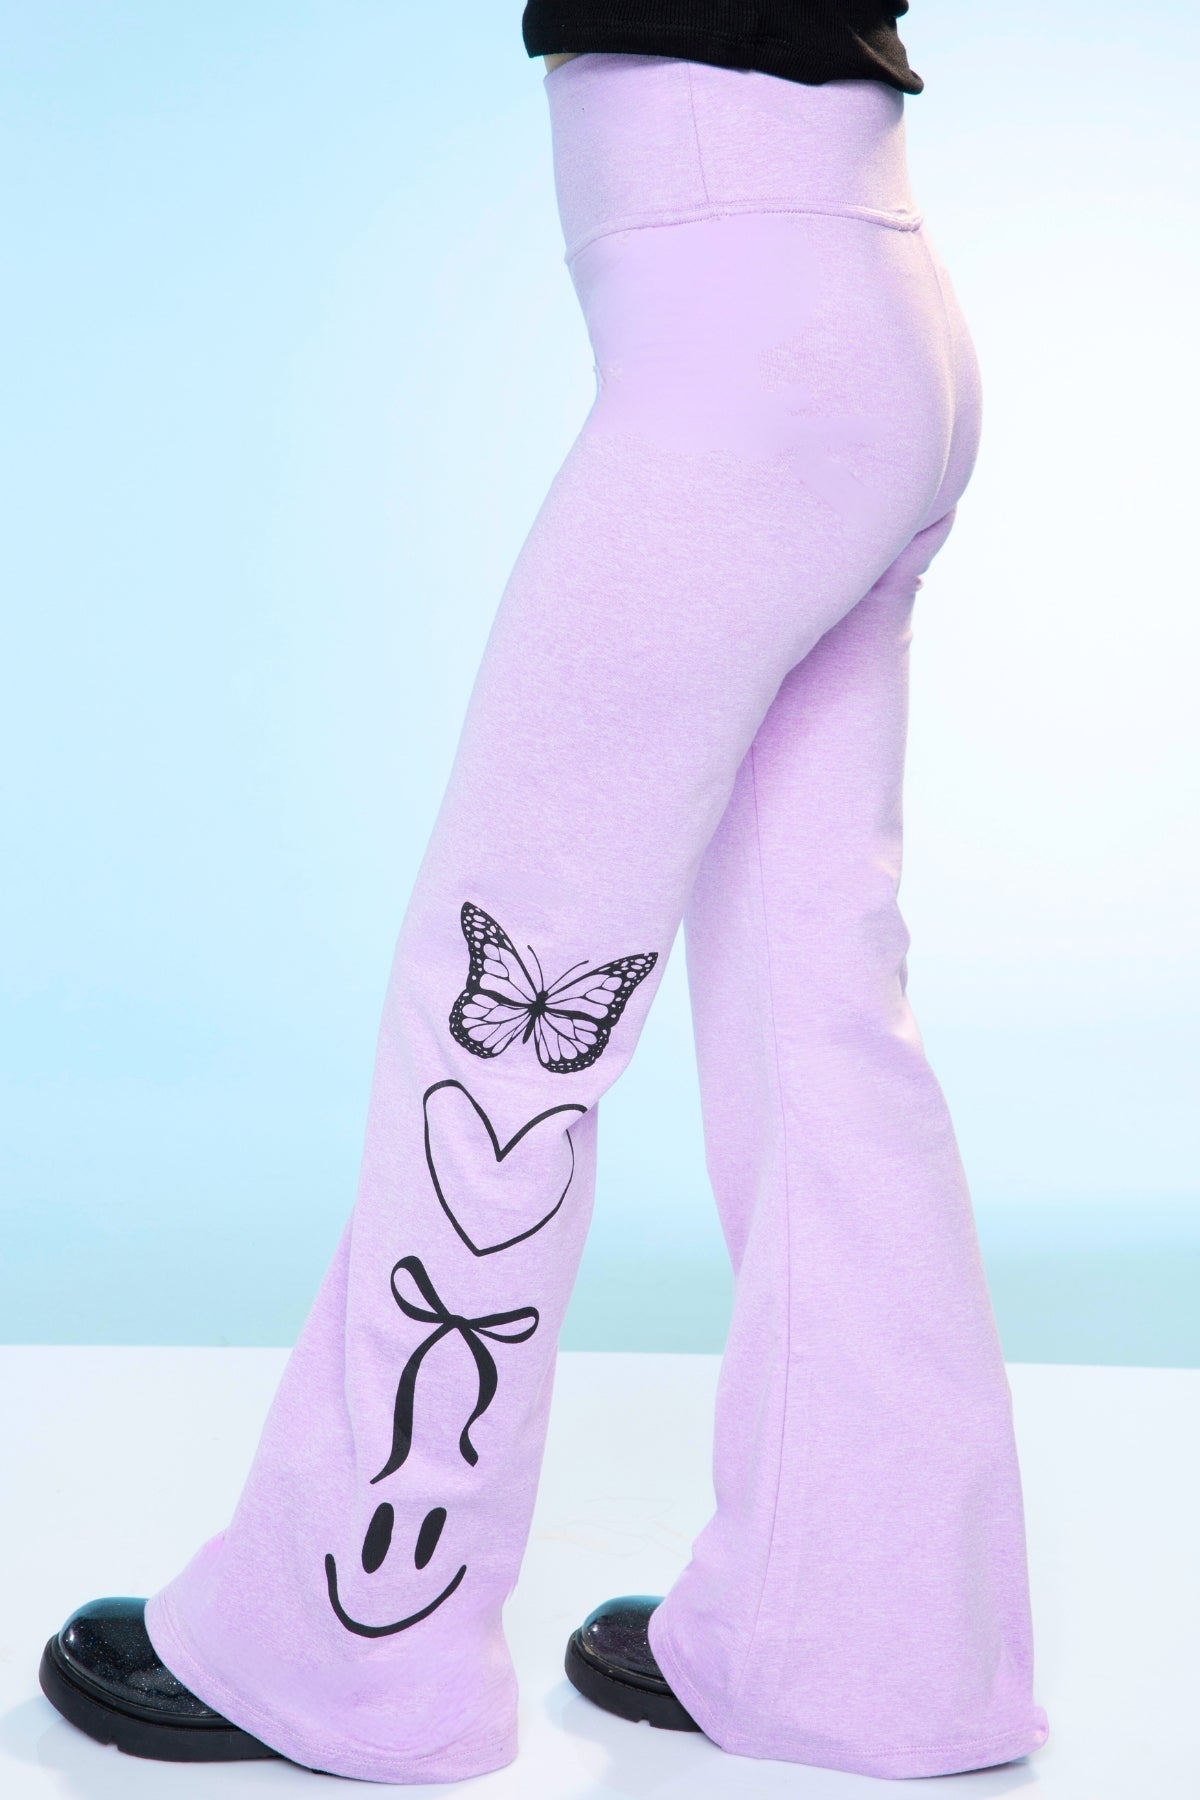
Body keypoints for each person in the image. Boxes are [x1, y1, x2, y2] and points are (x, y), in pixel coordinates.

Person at [37, 8, 1051, 1784]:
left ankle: (349, 1644)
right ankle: (879, 1648)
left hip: (741, 334)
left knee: (507, 996)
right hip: (867, 302)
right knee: (818, 1016)